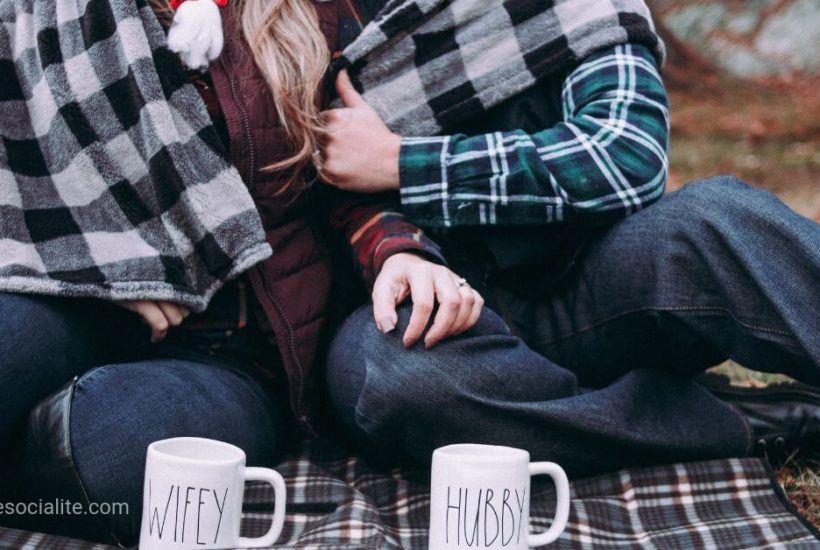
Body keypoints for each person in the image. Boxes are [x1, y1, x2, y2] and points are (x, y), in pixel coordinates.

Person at [0, 0, 483, 545]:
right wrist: (104, 264)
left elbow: (347, 175)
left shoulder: (309, 18)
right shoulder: (31, 14)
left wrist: (399, 251)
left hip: (229, 351)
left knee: (121, 452)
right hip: (68, 295)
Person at [321, 0, 820, 477]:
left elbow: (624, 155)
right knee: (397, 382)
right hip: (432, 318)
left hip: (590, 286)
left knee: (716, 220)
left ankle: (574, 414)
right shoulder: (322, 19)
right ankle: (732, 422)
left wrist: (403, 164)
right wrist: (399, 244)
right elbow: (321, 184)